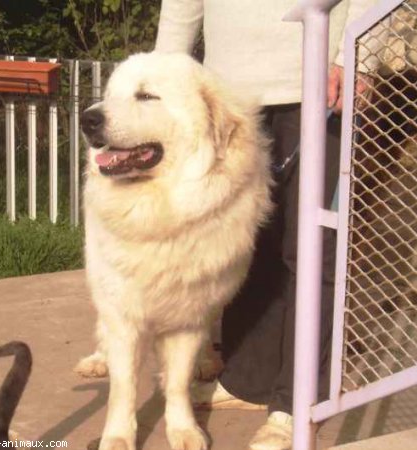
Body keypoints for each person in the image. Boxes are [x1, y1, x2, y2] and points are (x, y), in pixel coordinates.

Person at [155, 1, 378, 449]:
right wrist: (162, 82)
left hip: (317, 81)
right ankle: (246, 382)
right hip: (227, 96)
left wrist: (358, 55)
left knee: (314, 249)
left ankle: (296, 404)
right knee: (241, 245)